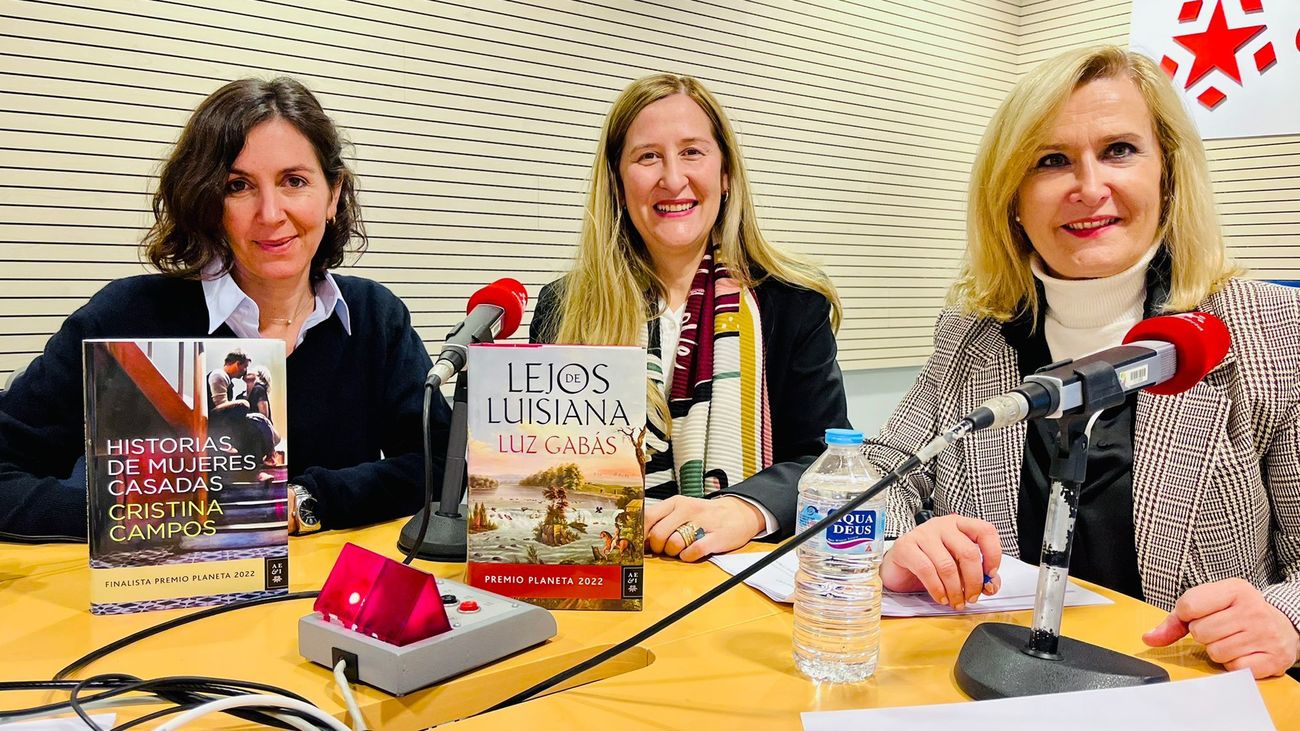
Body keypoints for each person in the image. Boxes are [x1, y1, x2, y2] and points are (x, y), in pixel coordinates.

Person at [865, 46, 1300, 678]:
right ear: (1012, 195)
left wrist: (1284, 617)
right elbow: (883, 477)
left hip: (1185, 690)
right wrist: (901, 543)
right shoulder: (975, 334)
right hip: (993, 683)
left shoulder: (1267, 329)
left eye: (1119, 150)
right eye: (1051, 161)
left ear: (1167, 175)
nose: (1089, 188)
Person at [0, 77, 448, 540]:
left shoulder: (375, 316)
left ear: (332, 195)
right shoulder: (127, 318)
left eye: (294, 181)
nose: (271, 213)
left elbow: (437, 465)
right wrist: (149, 517)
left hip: (321, 601)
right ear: (209, 203)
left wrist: (302, 502)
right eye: (238, 186)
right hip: (165, 600)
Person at [530, 73, 850, 561]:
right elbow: (544, 471)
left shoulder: (794, 304)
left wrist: (745, 507)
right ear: (618, 181)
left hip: (740, 582)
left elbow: (826, 461)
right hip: (603, 575)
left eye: (692, 152)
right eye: (647, 156)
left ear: (725, 175)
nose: (673, 178)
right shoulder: (563, 307)